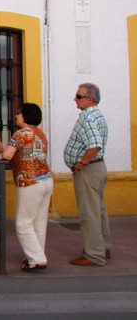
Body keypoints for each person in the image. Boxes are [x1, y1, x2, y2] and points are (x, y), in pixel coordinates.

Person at [1, 103, 52, 271]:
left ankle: (37, 259)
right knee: (39, 222)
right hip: (46, 180)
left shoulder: (21, 134)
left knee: (23, 223)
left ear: (24, 116)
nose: (16, 116)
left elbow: (7, 155)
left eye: (18, 113)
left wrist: (1, 154)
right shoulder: (41, 134)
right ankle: (35, 256)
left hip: (29, 181)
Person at [64, 83, 110, 266]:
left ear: (90, 99)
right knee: (99, 210)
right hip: (98, 168)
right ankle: (103, 248)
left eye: (78, 96)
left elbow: (95, 144)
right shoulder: (97, 115)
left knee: (89, 213)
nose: (75, 99)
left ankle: (94, 255)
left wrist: (82, 163)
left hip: (89, 170)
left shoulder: (88, 117)